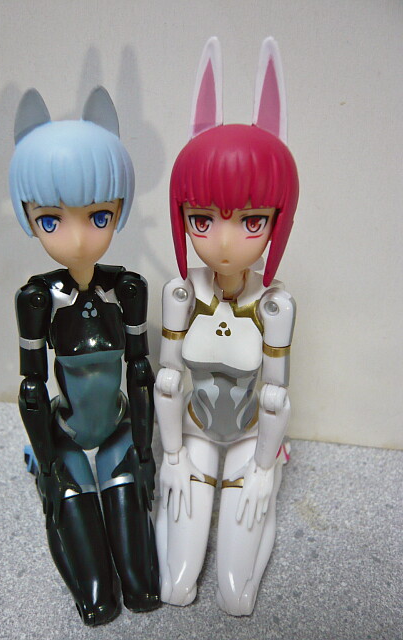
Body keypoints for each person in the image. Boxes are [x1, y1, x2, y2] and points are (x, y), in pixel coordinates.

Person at [155, 37, 299, 616]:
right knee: (176, 587)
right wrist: (170, 456)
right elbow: (168, 381)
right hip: (191, 436)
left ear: (277, 219)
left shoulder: (275, 306)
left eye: (251, 221)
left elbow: (276, 394)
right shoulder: (181, 294)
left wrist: (265, 469)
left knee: (237, 597)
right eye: (202, 219)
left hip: (247, 442)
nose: (222, 241)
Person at [10, 86, 159, 626]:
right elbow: (31, 386)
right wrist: (48, 463)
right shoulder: (38, 298)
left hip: (117, 429)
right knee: (97, 596)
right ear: (29, 216)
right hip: (68, 435)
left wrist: (143, 451)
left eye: (98, 217)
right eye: (51, 220)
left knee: (142, 588)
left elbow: (139, 371)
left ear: (119, 209)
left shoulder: (128, 289)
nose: (76, 240)